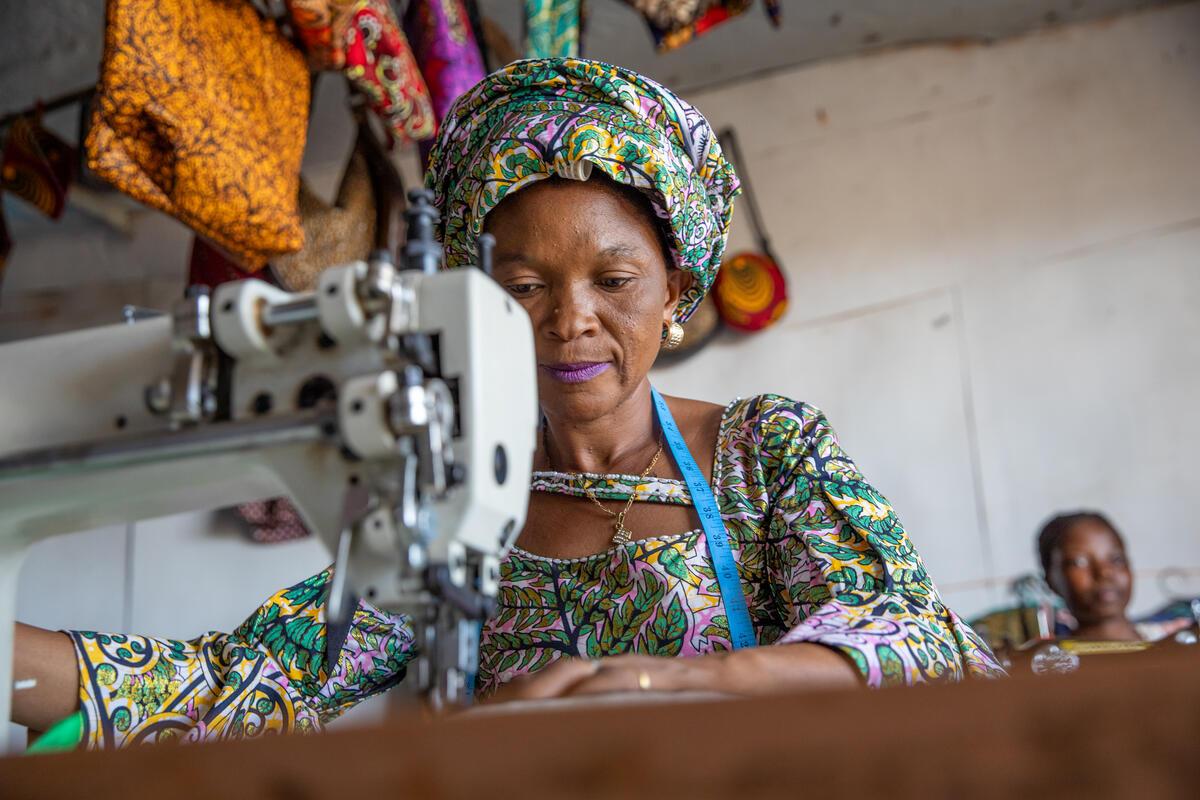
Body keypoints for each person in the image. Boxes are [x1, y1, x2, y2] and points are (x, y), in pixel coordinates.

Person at [10, 58, 1003, 749]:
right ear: (476, 303)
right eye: (524, 285)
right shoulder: (445, 495)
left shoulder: (764, 449)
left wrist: (681, 675)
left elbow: (913, 636)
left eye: (614, 280)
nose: (569, 320)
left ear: (676, 291)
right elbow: (245, 683)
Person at [1038, 511, 1194, 642]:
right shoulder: (1051, 663)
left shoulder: (1180, 642)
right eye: (1079, 562)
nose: (1105, 573)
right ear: (1050, 580)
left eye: (1116, 559)